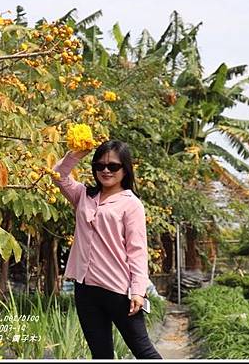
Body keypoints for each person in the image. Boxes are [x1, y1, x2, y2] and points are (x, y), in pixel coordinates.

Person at [52, 139, 162, 360]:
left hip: (118, 292)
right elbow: (58, 175)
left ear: (125, 169)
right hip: (85, 290)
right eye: (99, 165)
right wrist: (75, 154)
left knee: (144, 351)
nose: (105, 170)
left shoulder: (131, 204)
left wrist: (138, 291)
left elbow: (137, 251)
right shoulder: (84, 195)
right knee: (101, 355)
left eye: (113, 166)